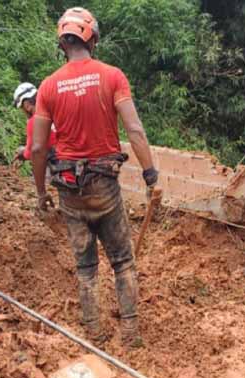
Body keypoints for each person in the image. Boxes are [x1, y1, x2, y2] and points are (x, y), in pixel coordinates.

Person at [30, 7, 158, 348]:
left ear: (63, 43)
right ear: (93, 38)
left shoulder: (48, 86)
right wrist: (149, 173)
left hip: (69, 189)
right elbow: (134, 128)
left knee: (86, 267)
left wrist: (41, 191)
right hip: (104, 185)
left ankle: (94, 331)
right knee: (123, 261)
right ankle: (130, 333)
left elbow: (39, 147)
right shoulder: (112, 76)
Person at [11, 82, 57, 165]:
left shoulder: (34, 121)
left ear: (27, 105)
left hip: (58, 166)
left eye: (22, 108)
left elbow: (30, 153)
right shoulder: (55, 110)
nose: (23, 111)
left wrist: (22, 152)